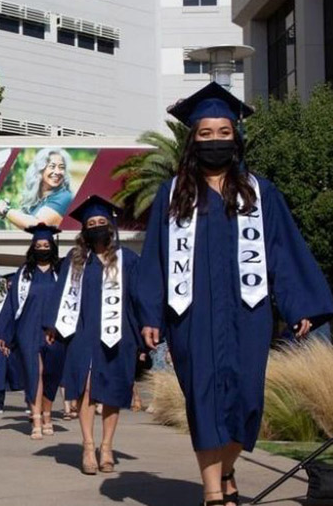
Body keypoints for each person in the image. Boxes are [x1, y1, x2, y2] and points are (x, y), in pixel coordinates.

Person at [134, 82, 333, 506]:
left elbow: (282, 249)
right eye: (205, 134)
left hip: (249, 314)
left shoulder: (260, 193)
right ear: (193, 141)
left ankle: (226, 469)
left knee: (246, 403)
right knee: (204, 401)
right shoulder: (172, 196)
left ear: (236, 137)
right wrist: (150, 315)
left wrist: (300, 304)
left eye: (223, 133)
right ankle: (213, 493)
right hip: (191, 316)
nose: (215, 142)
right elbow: (154, 258)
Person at [46, 195, 141, 475]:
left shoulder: (129, 260)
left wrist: (143, 332)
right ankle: (88, 446)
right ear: (84, 230)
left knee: (111, 390)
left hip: (116, 332)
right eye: (91, 223)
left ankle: (107, 446)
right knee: (86, 388)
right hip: (84, 331)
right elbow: (61, 293)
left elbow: (138, 297)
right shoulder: (75, 261)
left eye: (102, 222)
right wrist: (52, 324)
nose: (97, 226)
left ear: (111, 225)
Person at [0, 225, 64, 439]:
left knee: (51, 374)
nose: (42, 248)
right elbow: (11, 305)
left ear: (52, 246)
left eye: (46, 245)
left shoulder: (60, 272)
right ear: (32, 248)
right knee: (35, 373)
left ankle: (48, 414)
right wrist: (2, 334)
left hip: (55, 331)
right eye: (38, 245)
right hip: (28, 329)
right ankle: (36, 419)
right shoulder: (24, 274)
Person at [0, 148, 74, 230]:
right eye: (52, 166)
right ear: (40, 169)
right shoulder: (38, 197)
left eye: (61, 167)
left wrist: (5, 211)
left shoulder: (65, 197)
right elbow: (23, 220)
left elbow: (37, 225)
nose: (57, 172)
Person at [0, 274, 24, 414]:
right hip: (2, 345)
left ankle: (30, 402)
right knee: (1, 374)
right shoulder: (0, 306)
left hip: (18, 345)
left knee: (25, 372)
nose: (10, 285)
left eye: (12, 282)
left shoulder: (23, 304)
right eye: (8, 283)